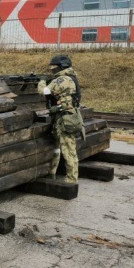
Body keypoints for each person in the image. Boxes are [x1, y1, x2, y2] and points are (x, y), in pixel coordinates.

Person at [38, 55, 83, 184]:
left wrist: (41, 81)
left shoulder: (63, 79)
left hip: (66, 119)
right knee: (57, 147)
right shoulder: (70, 77)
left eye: (53, 66)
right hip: (63, 117)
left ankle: (71, 180)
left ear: (61, 67)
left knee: (68, 150)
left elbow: (45, 91)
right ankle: (52, 173)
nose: (51, 69)